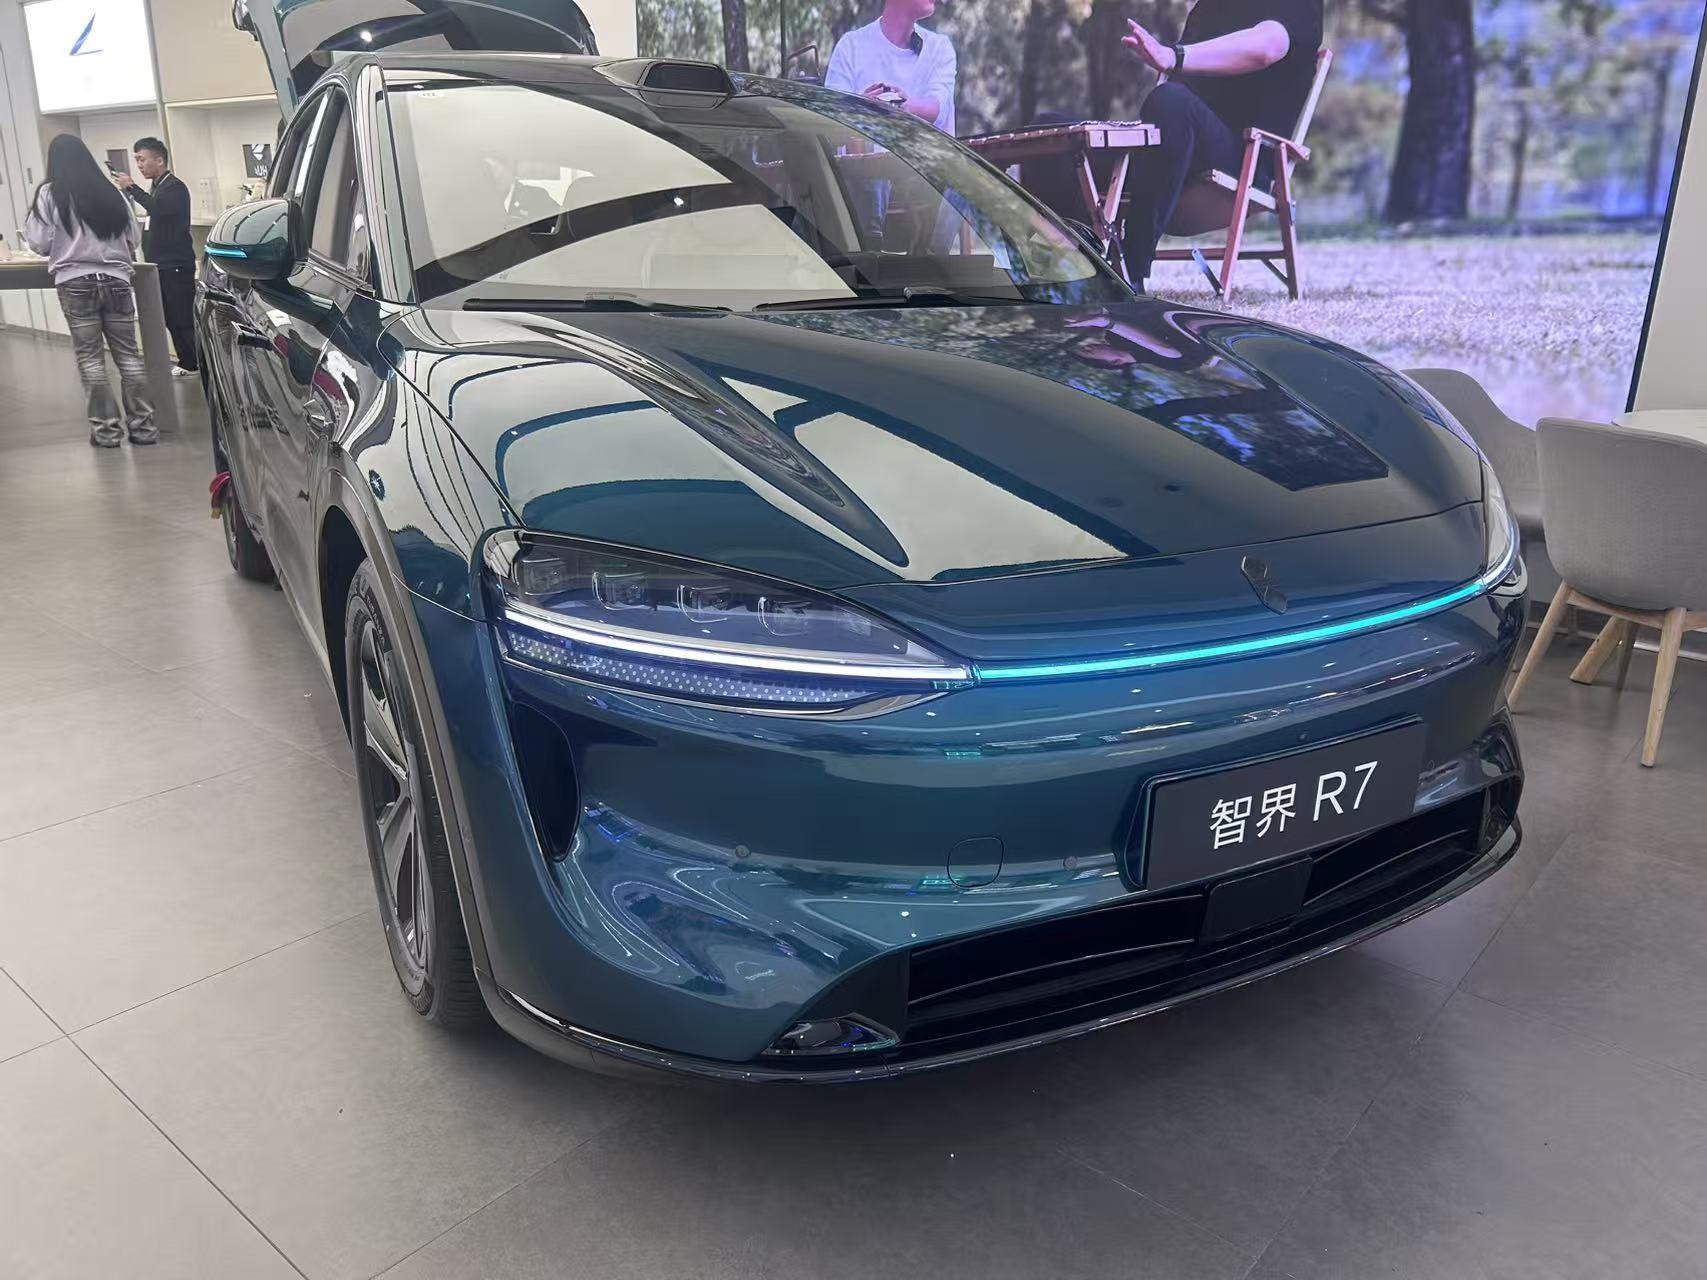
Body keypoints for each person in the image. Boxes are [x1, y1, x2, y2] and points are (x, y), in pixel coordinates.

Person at [1120, 0, 1324, 287]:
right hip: (1171, 155)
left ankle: (1128, 271)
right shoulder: (1210, 7)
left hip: (1244, 160)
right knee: (1062, 131)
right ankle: (1071, 268)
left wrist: (1174, 56)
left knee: (1170, 101)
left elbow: (1266, 47)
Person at [24, 134, 155, 447]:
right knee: (129, 356)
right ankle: (144, 429)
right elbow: (133, 238)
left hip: (76, 282)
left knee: (91, 360)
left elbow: (38, 242)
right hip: (117, 281)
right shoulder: (111, 192)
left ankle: (106, 432)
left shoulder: (49, 194)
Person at [826, 0, 958, 245]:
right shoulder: (851, 45)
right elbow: (829, 121)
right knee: (866, 169)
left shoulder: (939, 47)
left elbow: (937, 107)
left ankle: (932, 262)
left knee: (960, 182)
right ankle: (867, 254)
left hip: (923, 175)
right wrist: (862, 107)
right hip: (863, 183)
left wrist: (903, 106)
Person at [115, 136, 197, 377]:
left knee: (183, 317)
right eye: (137, 160)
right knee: (170, 317)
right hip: (160, 265)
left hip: (176, 265)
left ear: (159, 160)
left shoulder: (174, 187)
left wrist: (131, 188)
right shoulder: (157, 187)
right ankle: (187, 361)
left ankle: (195, 361)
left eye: (142, 159)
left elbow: (157, 208)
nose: (139, 165)